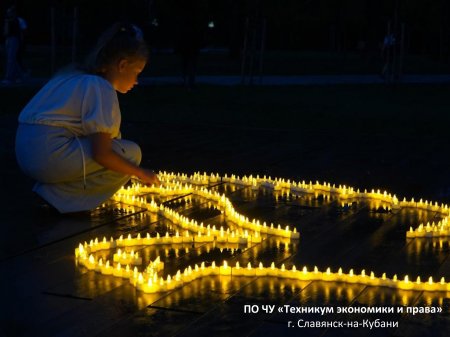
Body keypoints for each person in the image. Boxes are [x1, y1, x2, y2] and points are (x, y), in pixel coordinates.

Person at [15, 22, 160, 214]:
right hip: (49, 155)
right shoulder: (100, 87)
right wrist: (141, 173)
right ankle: (57, 199)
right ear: (122, 65)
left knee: (118, 153)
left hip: (25, 153)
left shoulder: (71, 76)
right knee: (131, 154)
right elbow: (102, 154)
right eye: (137, 73)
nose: (136, 81)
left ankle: (49, 194)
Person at [2, 5, 22, 84]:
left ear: (13, 13)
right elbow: (6, 32)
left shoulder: (14, 20)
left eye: (9, 12)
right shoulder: (9, 20)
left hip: (13, 39)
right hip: (9, 39)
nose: (8, 14)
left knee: (11, 59)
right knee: (12, 59)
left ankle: (9, 78)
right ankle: (19, 76)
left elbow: (8, 31)